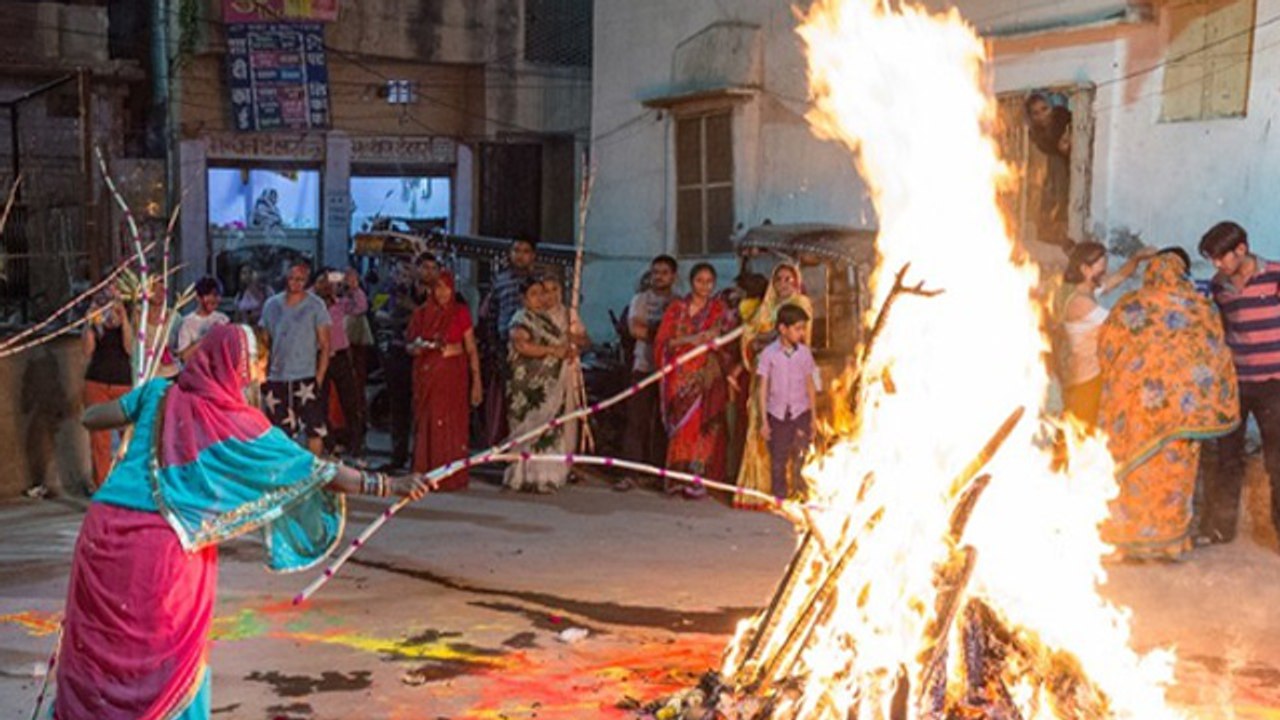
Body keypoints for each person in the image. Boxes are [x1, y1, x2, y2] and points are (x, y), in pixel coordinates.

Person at [52, 324, 433, 720]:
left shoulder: (157, 392)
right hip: (164, 548)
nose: (258, 375)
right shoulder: (238, 422)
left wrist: (138, 416)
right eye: (252, 364)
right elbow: (316, 470)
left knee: (101, 650)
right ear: (235, 368)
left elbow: (93, 418)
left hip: (101, 533)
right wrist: (390, 485)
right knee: (165, 658)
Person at [1095, 252, 1239, 560]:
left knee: (1135, 478)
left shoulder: (1130, 305)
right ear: (1182, 274)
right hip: (1180, 416)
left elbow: (1106, 345)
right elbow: (1214, 350)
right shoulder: (1200, 308)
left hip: (1136, 411)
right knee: (1172, 479)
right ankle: (1168, 544)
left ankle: (1124, 543)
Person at [1198, 221, 1280, 546]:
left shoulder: (1275, 275)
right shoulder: (1218, 287)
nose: (1217, 265)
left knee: (1278, 459)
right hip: (1236, 385)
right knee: (1227, 457)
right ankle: (1220, 529)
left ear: (1241, 250)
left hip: (1275, 384)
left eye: (1221, 257)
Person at [735, 263, 813, 509]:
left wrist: (763, 338)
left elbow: (790, 336)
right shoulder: (767, 306)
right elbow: (751, 334)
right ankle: (760, 489)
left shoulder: (801, 304)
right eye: (778, 279)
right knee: (761, 426)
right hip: (765, 377)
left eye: (788, 279)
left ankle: (789, 489)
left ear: (796, 281)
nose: (783, 283)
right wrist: (754, 340)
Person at [655, 263, 736, 499]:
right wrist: (694, 339)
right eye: (700, 281)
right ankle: (676, 478)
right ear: (691, 282)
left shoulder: (719, 310)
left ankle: (698, 478)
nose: (704, 286)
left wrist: (713, 342)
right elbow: (665, 342)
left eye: (709, 282)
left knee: (703, 428)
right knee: (681, 431)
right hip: (679, 377)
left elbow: (727, 343)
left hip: (706, 377)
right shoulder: (677, 308)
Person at [1052, 241, 1153, 429]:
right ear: (1085, 269)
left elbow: (1120, 276)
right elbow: (1119, 324)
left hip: (1092, 377)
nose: (1105, 274)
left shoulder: (1089, 293)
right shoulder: (1080, 302)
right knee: (1081, 435)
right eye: (1100, 269)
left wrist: (1138, 258)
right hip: (1083, 382)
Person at [408, 271, 483, 491]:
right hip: (429, 375)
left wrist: (477, 380)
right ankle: (427, 472)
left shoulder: (460, 313)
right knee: (430, 420)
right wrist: (420, 347)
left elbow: (471, 348)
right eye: (437, 287)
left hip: (453, 376)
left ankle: (451, 475)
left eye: (446, 287)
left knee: (452, 422)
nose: (442, 293)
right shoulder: (421, 314)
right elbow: (410, 346)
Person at [503, 276, 575, 493]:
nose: (540, 298)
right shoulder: (521, 318)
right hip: (528, 387)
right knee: (529, 429)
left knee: (548, 431)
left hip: (549, 386)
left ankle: (545, 476)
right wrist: (553, 351)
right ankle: (523, 476)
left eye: (542, 293)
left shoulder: (544, 319)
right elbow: (522, 346)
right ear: (522, 298)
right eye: (534, 294)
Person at [614, 255, 678, 492]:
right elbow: (636, 329)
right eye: (655, 272)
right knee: (636, 421)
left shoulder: (678, 303)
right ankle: (630, 473)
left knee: (664, 424)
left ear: (673, 276)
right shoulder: (640, 300)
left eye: (664, 272)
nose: (658, 277)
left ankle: (660, 474)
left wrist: (671, 339)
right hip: (643, 367)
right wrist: (665, 337)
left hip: (669, 371)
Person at [259, 260, 332, 455]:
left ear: (306, 280)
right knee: (278, 431)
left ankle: (313, 472)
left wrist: (319, 378)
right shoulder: (271, 305)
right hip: (277, 376)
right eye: (292, 278)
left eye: (300, 279)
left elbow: (325, 345)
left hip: (305, 375)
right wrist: (263, 375)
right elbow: (264, 343)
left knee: (314, 429)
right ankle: (285, 471)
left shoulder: (316, 305)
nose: (295, 283)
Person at [757, 304, 821, 500]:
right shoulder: (769, 354)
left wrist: (813, 417)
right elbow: (763, 388)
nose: (801, 333)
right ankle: (780, 497)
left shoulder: (804, 353)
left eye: (803, 328)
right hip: (777, 414)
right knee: (779, 458)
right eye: (797, 328)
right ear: (782, 329)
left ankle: (802, 494)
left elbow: (810, 384)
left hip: (801, 411)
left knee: (803, 454)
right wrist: (764, 422)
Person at [479, 236, 538, 446]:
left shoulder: (540, 283)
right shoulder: (500, 281)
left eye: (525, 251)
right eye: (516, 250)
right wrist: (495, 348)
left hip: (535, 350)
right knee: (504, 401)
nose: (520, 255)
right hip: (506, 347)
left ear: (532, 255)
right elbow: (490, 315)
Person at [81, 289, 134, 492]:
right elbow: (87, 351)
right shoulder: (97, 320)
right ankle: (102, 487)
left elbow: (130, 348)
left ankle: (129, 486)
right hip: (97, 380)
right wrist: (89, 323)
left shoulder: (128, 318)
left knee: (128, 437)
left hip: (122, 382)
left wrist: (123, 317)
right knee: (99, 440)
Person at [313, 267, 369, 458]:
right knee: (320, 401)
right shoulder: (311, 304)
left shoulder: (341, 303)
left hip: (340, 355)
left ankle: (356, 443)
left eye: (331, 281)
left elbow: (361, 307)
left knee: (350, 400)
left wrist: (353, 286)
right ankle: (328, 443)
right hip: (319, 355)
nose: (328, 285)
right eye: (324, 281)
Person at [376, 258, 419, 471]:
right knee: (398, 406)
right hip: (396, 351)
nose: (403, 274)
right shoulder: (387, 290)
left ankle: (420, 455)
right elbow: (376, 312)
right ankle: (398, 454)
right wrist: (395, 318)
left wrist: (413, 310)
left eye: (408, 269)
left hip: (419, 354)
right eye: (400, 270)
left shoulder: (421, 292)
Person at [1025, 92, 1073, 249]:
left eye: (1044, 109)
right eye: (1036, 113)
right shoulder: (1037, 135)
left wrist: (1068, 150)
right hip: (1054, 177)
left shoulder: (1066, 121)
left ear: (1052, 107)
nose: (1041, 116)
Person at [176, 276, 230, 363]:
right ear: (198, 297)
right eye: (209, 295)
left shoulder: (223, 319)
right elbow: (184, 357)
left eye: (216, 295)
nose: (214, 299)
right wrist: (207, 337)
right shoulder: (187, 322)